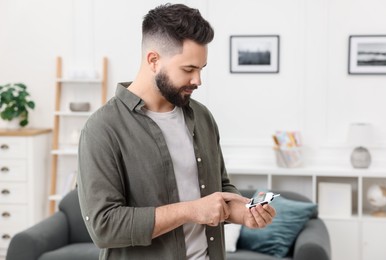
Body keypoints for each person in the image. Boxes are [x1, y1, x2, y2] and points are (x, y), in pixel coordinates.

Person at [77, 3, 276, 260]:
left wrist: (244, 213)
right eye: (188, 69)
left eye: (201, 69)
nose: (197, 80)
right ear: (153, 60)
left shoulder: (202, 116)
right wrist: (192, 211)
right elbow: (104, 226)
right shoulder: (102, 128)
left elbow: (220, 188)